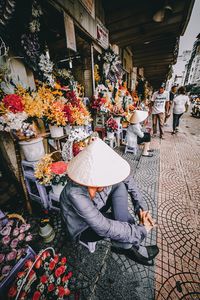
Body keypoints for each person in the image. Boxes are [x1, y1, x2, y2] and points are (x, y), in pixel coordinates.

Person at [60, 138, 159, 265]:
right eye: (96, 184)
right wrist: (141, 230)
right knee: (117, 222)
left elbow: (130, 183)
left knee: (120, 185)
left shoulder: (109, 166)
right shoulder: (75, 193)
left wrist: (142, 209)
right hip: (83, 227)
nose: (102, 187)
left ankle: (124, 245)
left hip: (97, 208)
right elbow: (104, 227)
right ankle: (129, 247)